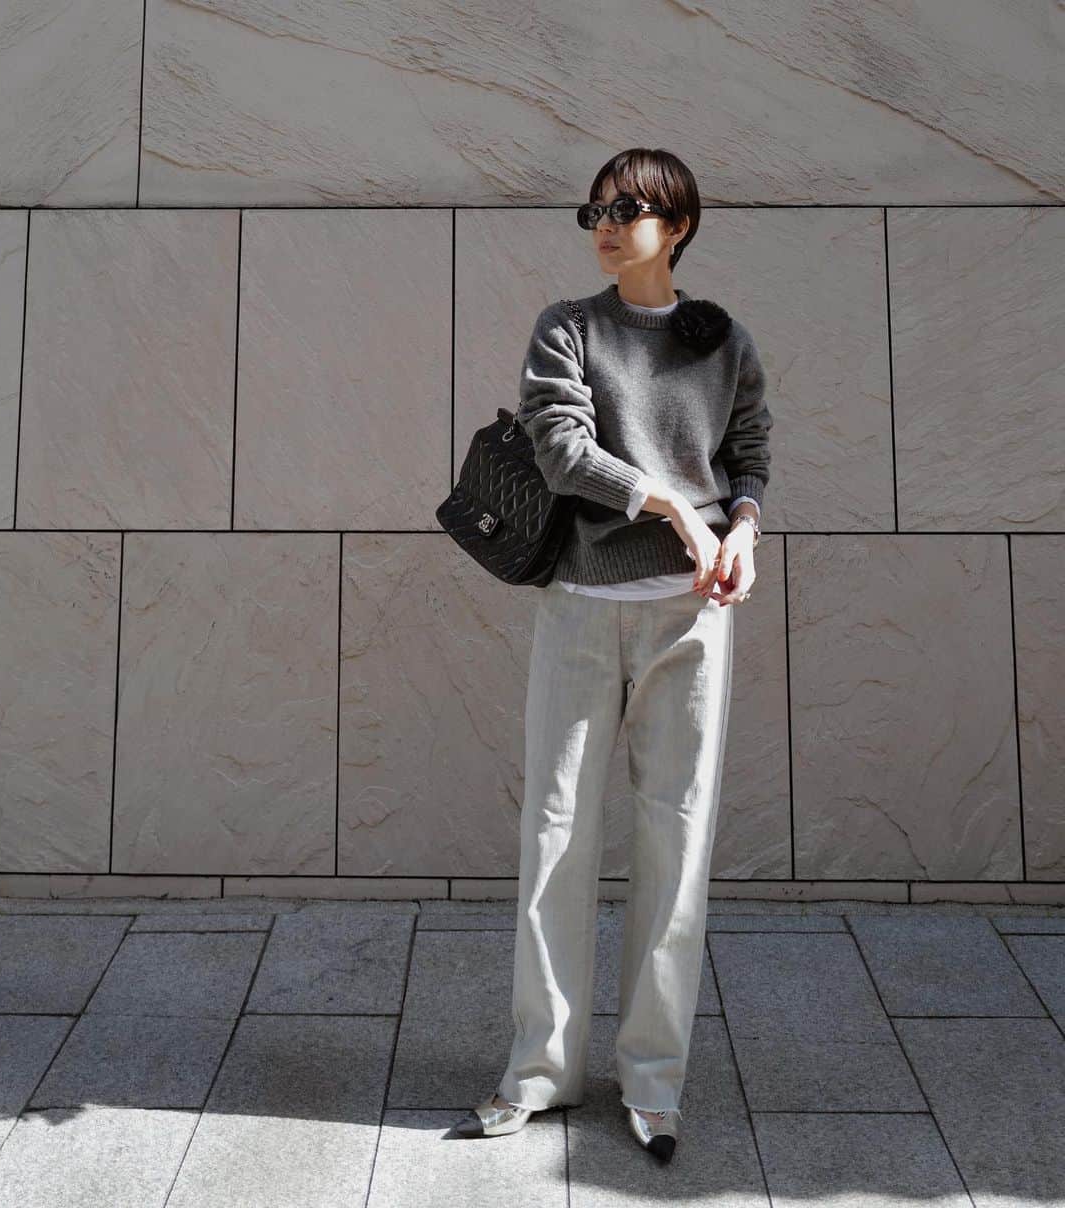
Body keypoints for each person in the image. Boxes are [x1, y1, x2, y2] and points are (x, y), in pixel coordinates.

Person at [453, 147, 772, 1163]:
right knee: (556, 833)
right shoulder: (569, 327)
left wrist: (744, 531)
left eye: (627, 207)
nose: (605, 221)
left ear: (676, 226)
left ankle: (653, 1081)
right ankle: (539, 1071)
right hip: (584, 607)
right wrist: (672, 504)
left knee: (677, 841)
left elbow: (751, 453)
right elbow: (559, 448)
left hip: (693, 615)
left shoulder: (720, 338)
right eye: (595, 207)